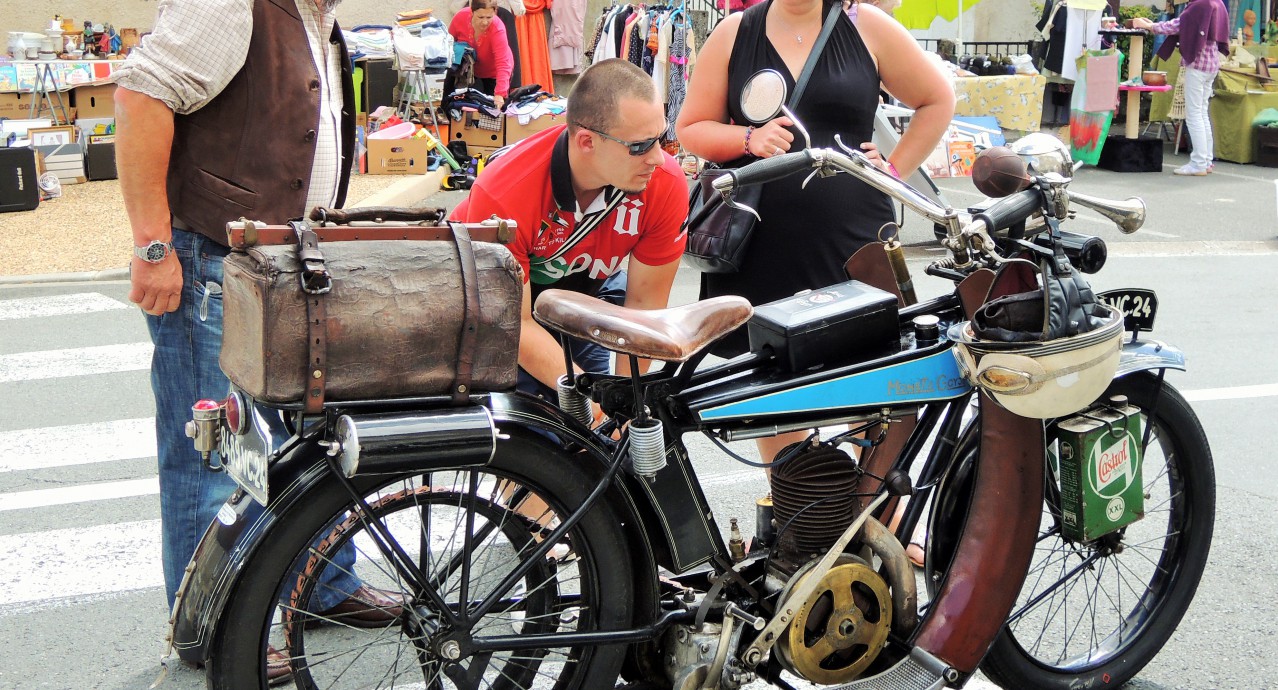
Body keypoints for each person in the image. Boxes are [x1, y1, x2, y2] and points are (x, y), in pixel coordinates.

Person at [115, 0, 401, 680]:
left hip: (280, 263)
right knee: (215, 456)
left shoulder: (312, 16)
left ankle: (324, 589)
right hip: (215, 258)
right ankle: (208, 628)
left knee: (314, 437)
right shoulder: (233, 4)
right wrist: (153, 246)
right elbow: (139, 98)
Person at [675, 0, 953, 464]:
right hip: (764, 243)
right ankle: (802, 522)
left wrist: (895, 169)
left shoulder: (867, 26)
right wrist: (748, 139)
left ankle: (882, 517)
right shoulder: (734, 32)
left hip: (857, 236)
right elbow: (690, 128)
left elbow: (937, 99)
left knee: (880, 377)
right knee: (780, 394)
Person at [450, 58, 688, 407]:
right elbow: (515, 325)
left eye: (662, 138)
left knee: (608, 432)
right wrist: (591, 405)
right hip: (497, 310)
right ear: (587, 142)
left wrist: (626, 402)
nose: (658, 158)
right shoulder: (504, 192)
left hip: (580, 296)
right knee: (545, 434)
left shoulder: (664, 183)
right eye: (639, 146)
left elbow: (644, 307)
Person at [1127, 0, 1228, 176]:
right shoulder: (1216, 2)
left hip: (1197, 66)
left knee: (1194, 114)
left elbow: (1179, 25)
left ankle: (1198, 163)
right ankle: (1206, 161)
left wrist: (1148, 26)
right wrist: (1152, 25)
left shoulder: (1200, 4)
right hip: (1211, 64)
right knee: (1202, 113)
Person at [449, 0, 516, 110]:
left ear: (495, 13)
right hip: (470, 71)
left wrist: (499, 94)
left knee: (492, 110)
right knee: (465, 105)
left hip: (495, 73)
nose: (485, 22)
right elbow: (449, 42)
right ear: (472, 11)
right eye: (480, 17)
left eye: (489, 17)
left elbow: (503, 63)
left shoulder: (498, 28)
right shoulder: (460, 17)